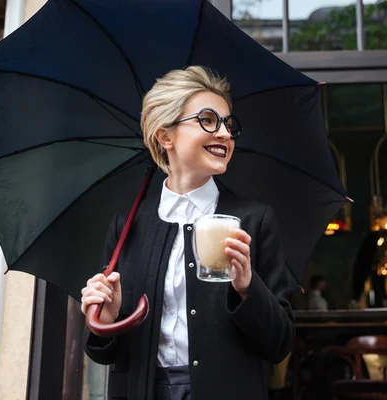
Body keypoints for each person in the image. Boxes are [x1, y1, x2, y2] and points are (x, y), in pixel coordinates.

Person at [80, 66, 295, 400]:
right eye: (208, 120)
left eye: (228, 123)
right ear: (165, 136)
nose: (224, 133)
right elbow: (104, 354)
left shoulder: (253, 220)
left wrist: (247, 288)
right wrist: (106, 318)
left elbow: (279, 344)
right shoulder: (126, 226)